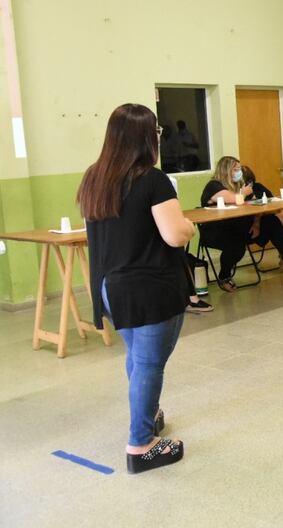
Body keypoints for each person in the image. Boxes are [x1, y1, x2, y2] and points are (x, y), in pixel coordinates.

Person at [78, 103, 195, 474]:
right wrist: (190, 225)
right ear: (147, 137)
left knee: (137, 356)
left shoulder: (94, 178)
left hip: (113, 288)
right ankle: (141, 444)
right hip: (150, 288)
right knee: (148, 363)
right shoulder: (152, 179)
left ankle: (149, 415)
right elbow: (174, 234)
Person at [198, 156, 283, 291]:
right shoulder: (214, 186)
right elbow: (235, 199)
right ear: (226, 171)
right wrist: (243, 193)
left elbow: (254, 206)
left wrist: (256, 222)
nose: (239, 172)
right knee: (236, 245)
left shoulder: (239, 187)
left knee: (271, 221)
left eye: (239, 169)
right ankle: (224, 276)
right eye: (236, 169)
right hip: (217, 232)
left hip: (241, 228)